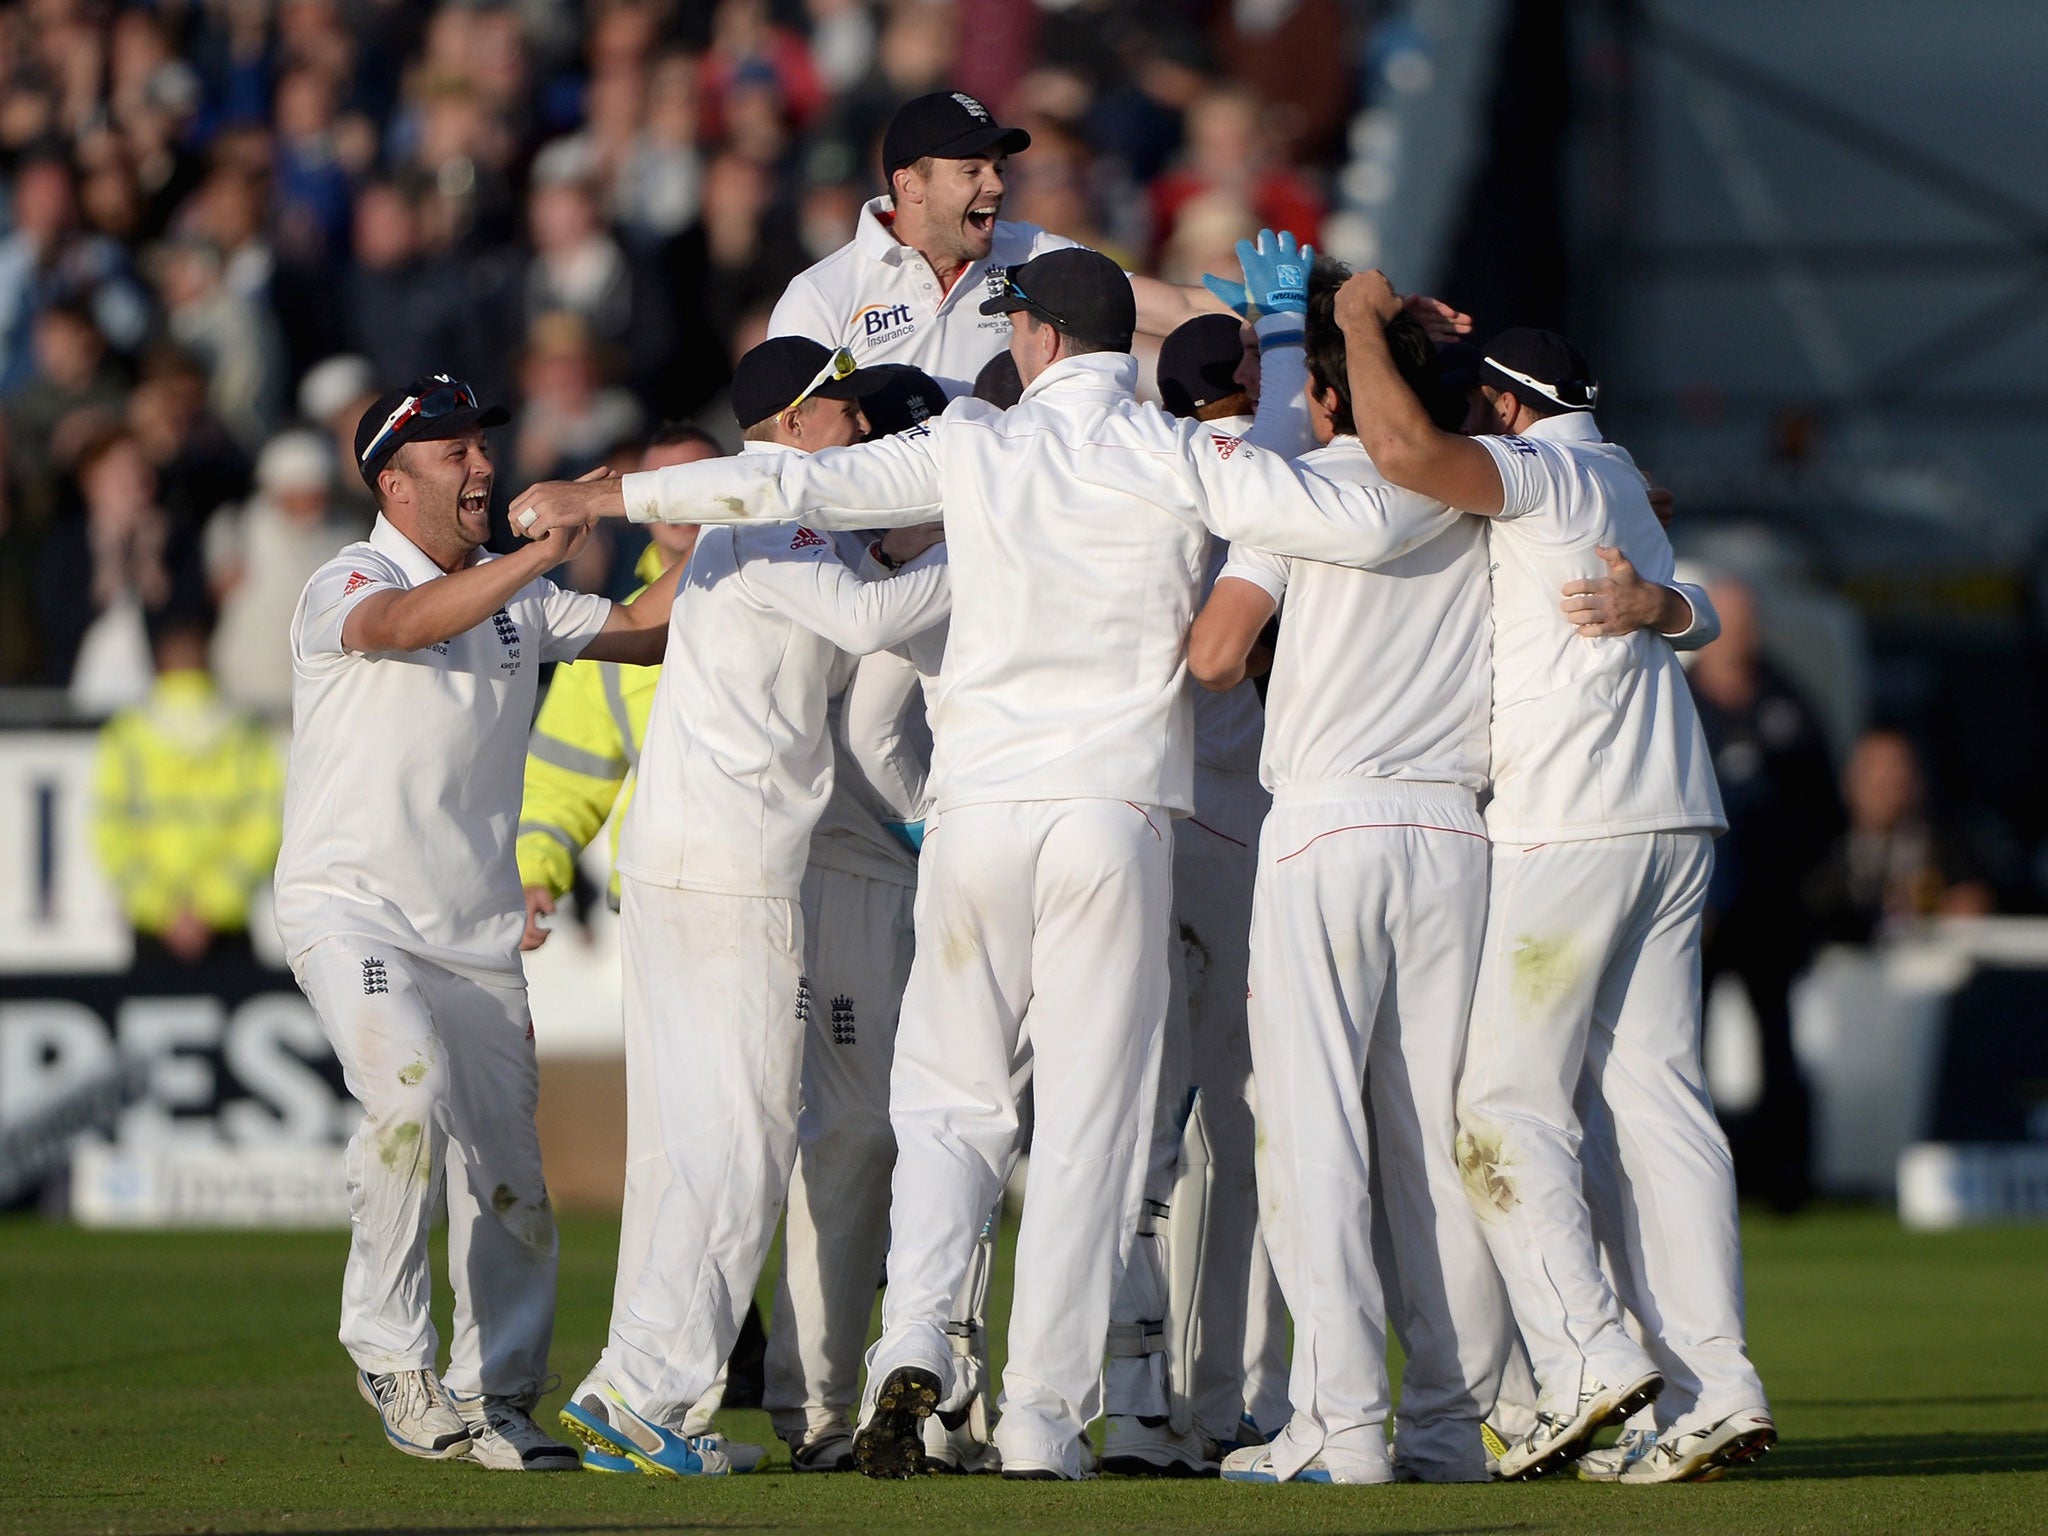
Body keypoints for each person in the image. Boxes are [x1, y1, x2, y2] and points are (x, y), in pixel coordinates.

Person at [510, 244, 1476, 1481]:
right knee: (1084, 1124)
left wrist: (608, 502)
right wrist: (1453, 475)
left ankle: (913, 1337)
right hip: (1108, 816)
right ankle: (1036, 1419)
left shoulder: (971, 443)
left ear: (1032, 339)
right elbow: (1329, 503)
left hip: (972, 815)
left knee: (946, 1109)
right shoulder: (1171, 454)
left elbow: (779, 483)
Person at [1327, 278, 1775, 1484]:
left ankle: (1586, 1360)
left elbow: (1402, 448)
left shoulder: (1537, 472)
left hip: (1569, 828)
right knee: (1660, 1111)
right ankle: (1714, 1389)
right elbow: (1687, 605)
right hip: (1672, 820)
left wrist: (1360, 325)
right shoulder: (1617, 471)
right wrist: (1668, 605)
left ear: (1506, 412)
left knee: (1500, 1112)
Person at [548, 337, 951, 1480]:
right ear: (790, 424)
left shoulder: (748, 521)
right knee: (739, 1139)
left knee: (685, 1144)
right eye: (839, 409)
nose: (860, 429)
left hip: (684, 857)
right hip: (731, 865)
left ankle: (627, 1384)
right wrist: (979, 552)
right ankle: (656, 1398)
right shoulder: (786, 521)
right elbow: (874, 628)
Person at [273, 372, 680, 1472]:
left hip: (475, 931)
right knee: (407, 1091)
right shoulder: (346, 577)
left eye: (483, 446)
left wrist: (687, 525)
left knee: (509, 1175)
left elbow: (645, 632)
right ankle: (392, 1356)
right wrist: (543, 553)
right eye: (454, 453)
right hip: (349, 908)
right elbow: (401, 624)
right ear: (392, 481)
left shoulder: (518, 598)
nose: (483, 467)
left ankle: (495, 1399)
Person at [511, 421, 768, 1473]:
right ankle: (666, 1383)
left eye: (686, 487)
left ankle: (699, 1374)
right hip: (699, 899)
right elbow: (565, 770)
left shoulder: (754, 571)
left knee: (737, 1144)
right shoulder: (634, 627)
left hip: (776, 885)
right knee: (720, 1142)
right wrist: (536, 856)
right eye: (649, 491)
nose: (668, 507)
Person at [1102, 311, 1291, 1475]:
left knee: (1127, 1125)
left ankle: (1130, 1399)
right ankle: (1227, 1401)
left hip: (1132, 817)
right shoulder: (1243, 479)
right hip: (1232, 824)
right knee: (1238, 1129)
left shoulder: (1127, 479)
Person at [768, 89, 1224, 398]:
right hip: (880, 536)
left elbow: (1179, 308)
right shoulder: (821, 296)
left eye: (999, 168)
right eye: (972, 171)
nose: (997, 185)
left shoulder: (1030, 254)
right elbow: (790, 447)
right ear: (909, 185)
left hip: (1006, 525)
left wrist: (1284, 306)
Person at [1684, 578, 1843, 1212]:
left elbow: (1825, 803)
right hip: (1694, 906)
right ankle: (1690, 1180)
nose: (1741, 634)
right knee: (1680, 1042)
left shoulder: (1788, 702)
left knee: (1777, 1041)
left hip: (1770, 907)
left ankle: (1784, 1180)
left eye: (1748, 621)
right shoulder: (1680, 696)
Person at [91, 607, 283, 976]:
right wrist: (212, 904)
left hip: (154, 929)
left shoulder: (128, 733)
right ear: (208, 661)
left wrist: (162, 909)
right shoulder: (243, 731)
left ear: (158, 665)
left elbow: (110, 832)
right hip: (225, 924)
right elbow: (265, 825)